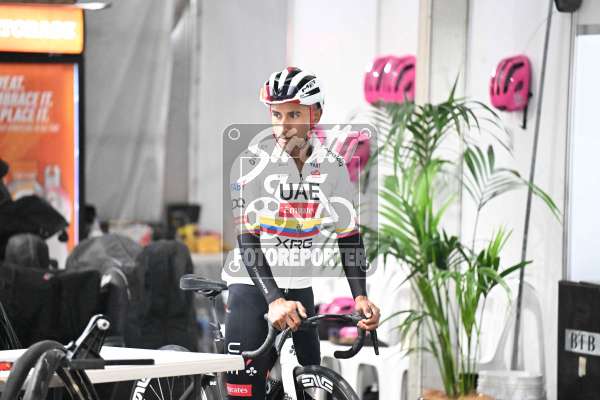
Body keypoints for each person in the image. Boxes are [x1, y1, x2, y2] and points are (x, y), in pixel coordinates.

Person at [223, 67, 380, 399]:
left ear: (315, 114)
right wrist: (274, 300)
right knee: (246, 394)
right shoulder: (252, 163)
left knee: (307, 386)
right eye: (276, 114)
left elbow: (348, 236)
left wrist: (360, 296)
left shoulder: (333, 167)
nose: (283, 125)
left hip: (299, 288)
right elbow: (248, 240)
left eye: (293, 114)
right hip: (252, 288)